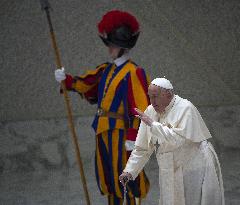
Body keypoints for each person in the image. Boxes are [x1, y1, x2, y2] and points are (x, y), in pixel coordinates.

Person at [55, 10, 150, 205]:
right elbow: (87, 84)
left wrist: (134, 138)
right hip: (104, 132)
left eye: (113, 45)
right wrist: (67, 81)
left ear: (122, 45)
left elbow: (142, 108)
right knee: (108, 175)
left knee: (126, 178)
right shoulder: (107, 70)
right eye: (110, 44)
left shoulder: (134, 72)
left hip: (123, 136)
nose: (110, 49)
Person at [119, 78, 225, 205]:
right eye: (150, 97)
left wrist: (153, 124)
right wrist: (129, 170)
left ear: (168, 94)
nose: (152, 102)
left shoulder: (186, 108)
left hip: (194, 166)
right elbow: (143, 147)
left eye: (155, 97)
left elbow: (177, 139)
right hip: (169, 168)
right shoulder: (150, 112)